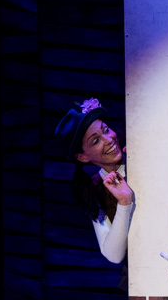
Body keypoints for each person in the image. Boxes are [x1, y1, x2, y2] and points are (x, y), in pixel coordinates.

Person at [55, 98, 136, 269]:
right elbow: (113, 255)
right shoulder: (94, 189)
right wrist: (124, 202)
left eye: (106, 130)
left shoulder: (138, 152)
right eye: (96, 141)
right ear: (83, 157)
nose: (108, 139)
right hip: (140, 270)